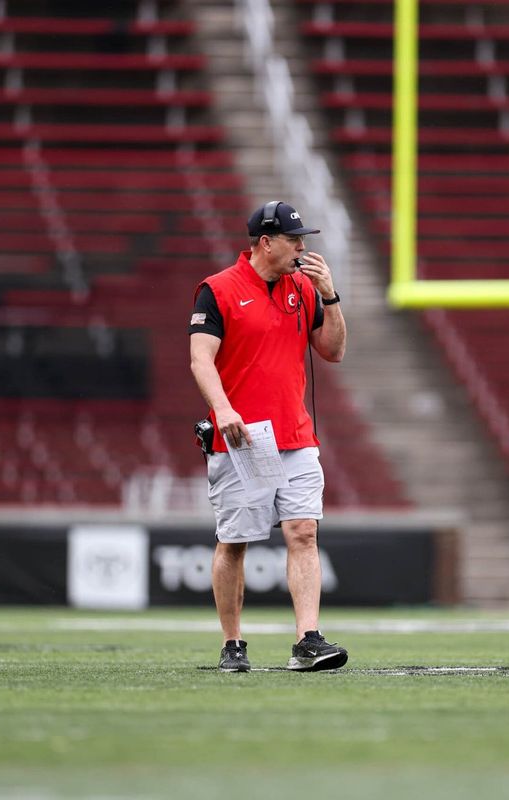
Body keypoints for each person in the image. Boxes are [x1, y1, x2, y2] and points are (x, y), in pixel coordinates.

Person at [188, 200, 348, 673]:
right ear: (265, 242)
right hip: (243, 438)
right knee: (235, 541)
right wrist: (222, 409)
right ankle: (232, 643)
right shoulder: (218, 289)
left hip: (295, 434)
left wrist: (330, 296)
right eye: (294, 239)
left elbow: (334, 351)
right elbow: (200, 358)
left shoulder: (304, 288)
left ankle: (307, 639)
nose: (302, 248)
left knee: (304, 531)